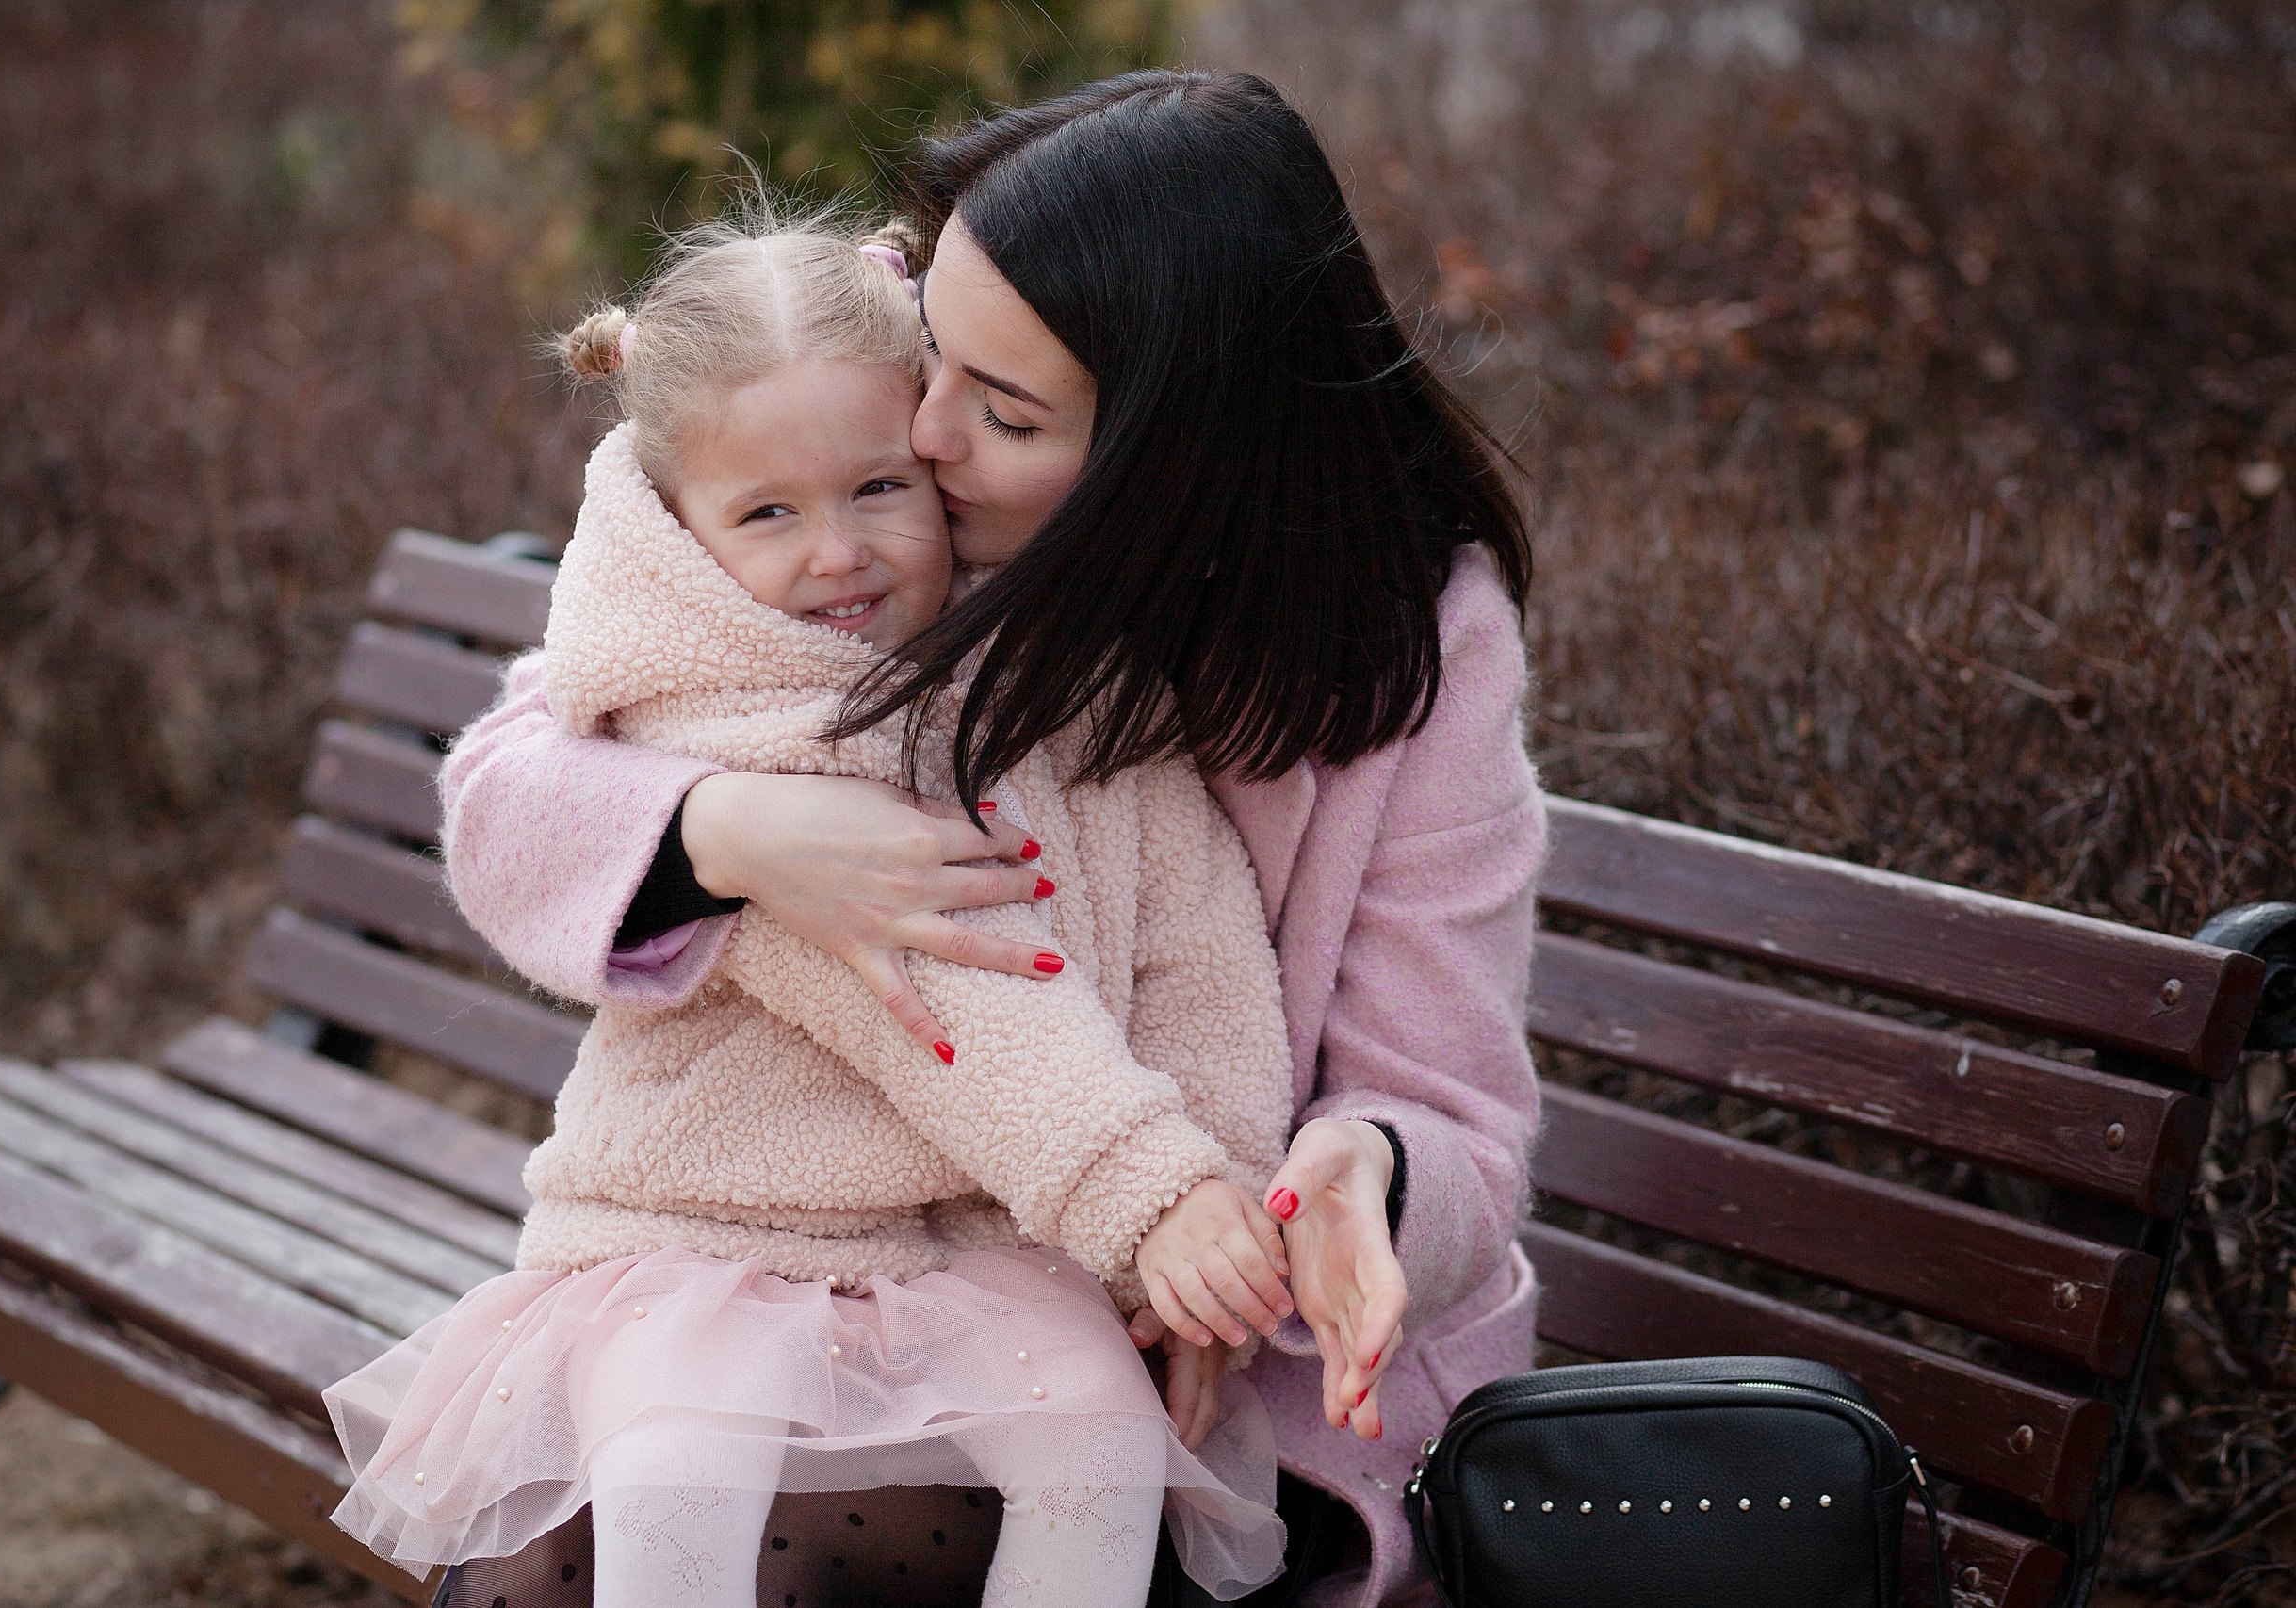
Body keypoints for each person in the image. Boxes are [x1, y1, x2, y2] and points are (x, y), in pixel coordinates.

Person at [444, 69, 1545, 1608]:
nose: (931, 433)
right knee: (577, 1538)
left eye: (1003, 412)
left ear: (1177, 443)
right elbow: (526, 760)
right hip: (892, 1266)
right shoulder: (904, 512)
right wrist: (728, 832)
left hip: (1220, 1372)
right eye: (933, 364)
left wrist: (1353, 1177)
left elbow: (1454, 1119)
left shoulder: (1413, 652)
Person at [325, 213, 1299, 1608]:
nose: (836, 553)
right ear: (684, 530)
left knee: (1098, 1451)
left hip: (986, 1247)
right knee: (679, 1474)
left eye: (878, 488)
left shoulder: (1074, 685)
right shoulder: (733, 709)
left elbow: (1199, 946)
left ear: (938, 456)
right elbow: (952, 984)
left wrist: (1217, 1205)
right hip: (705, 1237)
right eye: (768, 513)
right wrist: (1155, 1194)